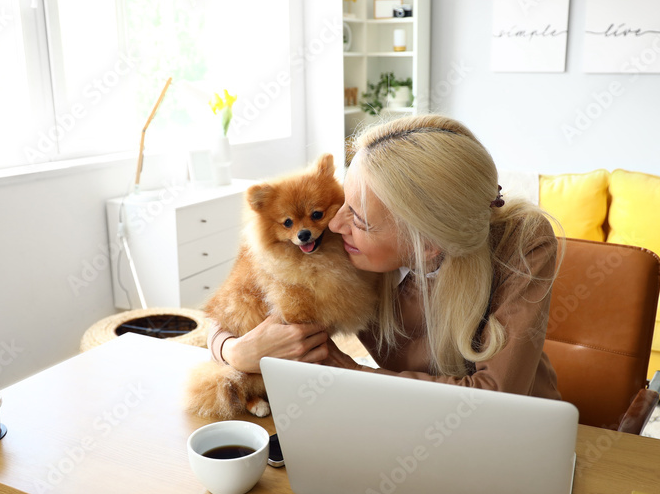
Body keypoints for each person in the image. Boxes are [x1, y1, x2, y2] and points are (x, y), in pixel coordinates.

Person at [208, 114, 561, 400]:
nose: (335, 222)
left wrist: (352, 373)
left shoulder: (523, 243)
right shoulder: (331, 244)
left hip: (508, 436)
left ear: (426, 245)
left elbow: (496, 398)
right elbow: (234, 305)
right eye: (343, 202)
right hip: (396, 415)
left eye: (358, 218)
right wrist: (235, 351)